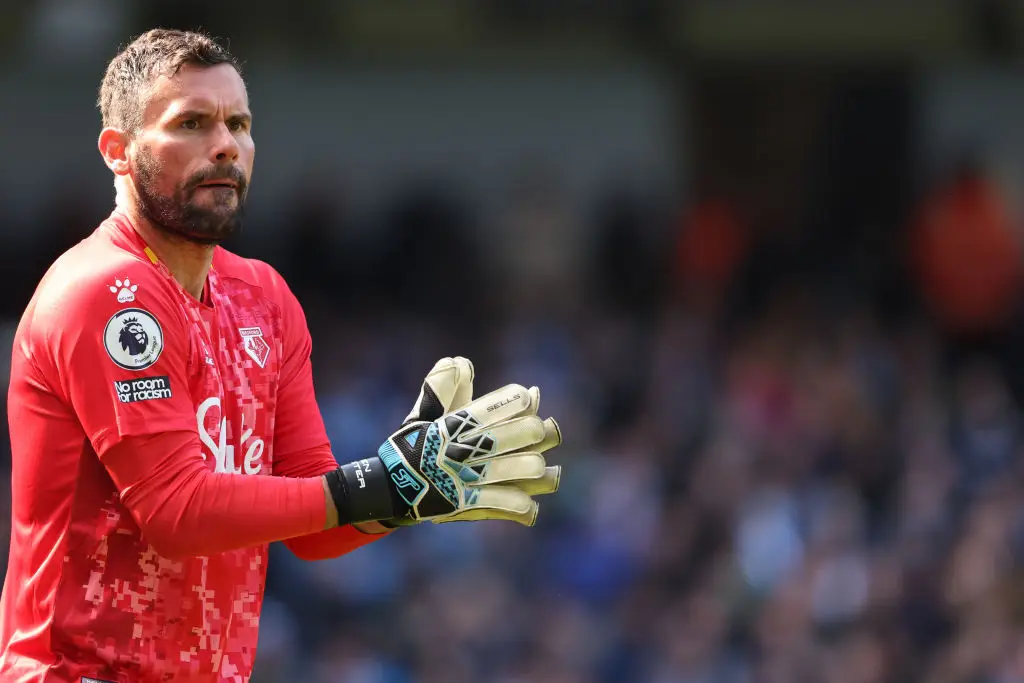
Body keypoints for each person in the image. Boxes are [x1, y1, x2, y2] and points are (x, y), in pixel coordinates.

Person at [0, 29, 562, 683]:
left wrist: (405, 488)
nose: (225, 145)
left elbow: (314, 525)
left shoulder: (264, 299)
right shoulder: (104, 292)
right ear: (118, 152)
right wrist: (370, 485)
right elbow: (176, 512)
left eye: (239, 123)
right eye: (192, 123)